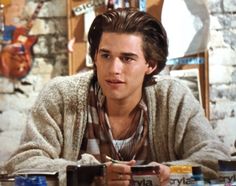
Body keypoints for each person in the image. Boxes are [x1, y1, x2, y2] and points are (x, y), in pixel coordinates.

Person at [4, 8, 230, 186]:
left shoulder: (172, 97)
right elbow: (23, 163)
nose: (113, 68)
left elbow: (215, 158)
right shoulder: (61, 95)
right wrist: (91, 175)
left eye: (128, 58)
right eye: (105, 55)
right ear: (95, 57)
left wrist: (172, 174)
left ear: (150, 64)